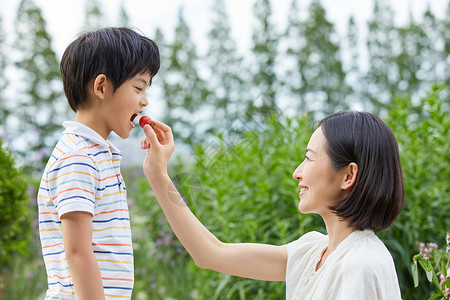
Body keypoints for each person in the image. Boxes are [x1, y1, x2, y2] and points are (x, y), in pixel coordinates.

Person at [140, 111, 405, 299]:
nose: (297, 172)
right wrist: (157, 175)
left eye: (309, 159)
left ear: (348, 176)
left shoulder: (360, 266)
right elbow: (210, 253)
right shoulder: (314, 251)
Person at [37, 27, 160, 300]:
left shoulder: (97, 155)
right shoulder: (78, 158)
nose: (145, 100)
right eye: (139, 87)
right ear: (101, 86)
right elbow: (78, 252)